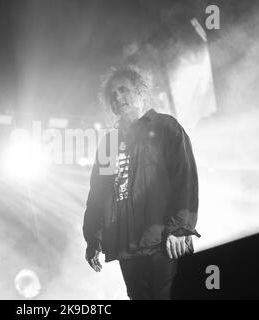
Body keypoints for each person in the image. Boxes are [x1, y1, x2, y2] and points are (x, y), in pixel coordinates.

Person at [83, 65, 200, 300]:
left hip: (165, 242)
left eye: (123, 90)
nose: (118, 97)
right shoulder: (109, 144)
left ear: (140, 92)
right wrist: (93, 238)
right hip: (128, 247)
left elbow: (185, 178)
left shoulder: (166, 127)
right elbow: (98, 195)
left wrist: (179, 229)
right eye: (113, 95)